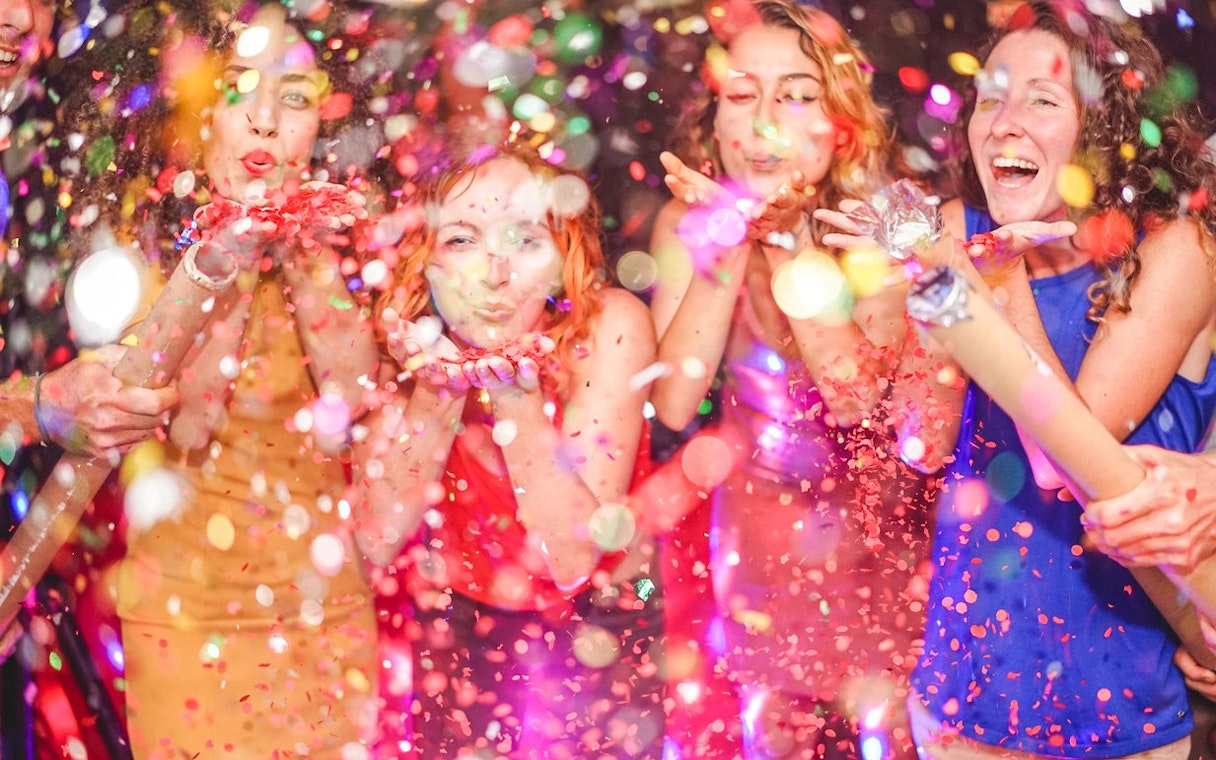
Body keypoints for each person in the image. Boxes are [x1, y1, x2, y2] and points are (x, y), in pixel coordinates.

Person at [887, 2, 1216, 757]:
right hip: (955, 700)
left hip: (1117, 716)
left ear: (1105, 127)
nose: (1003, 121)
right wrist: (932, 285)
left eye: (1042, 98)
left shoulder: (1178, 250)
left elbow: (1065, 457)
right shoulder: (956, 228)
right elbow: (919, 439)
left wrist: (998, 288)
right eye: (990, 96)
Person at [60, 3, 381, 756]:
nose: (266, 120)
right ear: (200, 112)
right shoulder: (135, 246)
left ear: (323, 126)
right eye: (240, 87)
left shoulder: (347, 243)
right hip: (187, 621)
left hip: (324, 616)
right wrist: (225, 255)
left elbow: (351, 402)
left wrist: (301, 248)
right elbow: (192, 420)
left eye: (296, 96)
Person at [646, 1, 933, 756]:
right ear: (717, 120)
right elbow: (674, 400)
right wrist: (729, 243)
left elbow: (856, 398)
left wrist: (785, 242)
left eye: (798, 94)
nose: (767, 118)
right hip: (761, 587)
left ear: (841, 119)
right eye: (743, 95)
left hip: (888, 582)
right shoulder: (689, 224)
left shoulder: (894, 219)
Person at [354, 142, 663, 758]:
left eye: (524, 240)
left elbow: (573, 559)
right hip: (463, 623)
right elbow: (376, 539)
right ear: (427, 259)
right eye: (463, 240)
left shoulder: (610, 326)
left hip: (603, 618)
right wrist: (437, 391)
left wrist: (512, 390)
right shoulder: (403, 338)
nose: (494, 274)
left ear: (562, 258)